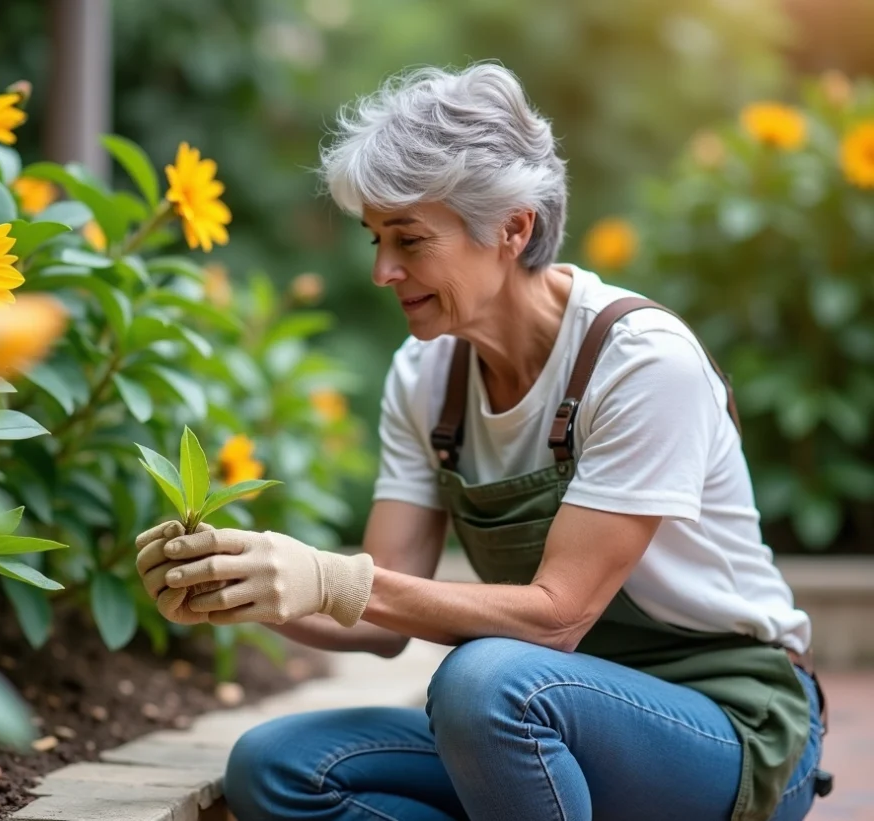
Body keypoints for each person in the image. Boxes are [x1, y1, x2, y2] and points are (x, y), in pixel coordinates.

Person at [133, 62, 827, 821]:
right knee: (276, 768)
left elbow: (558, 616)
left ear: (513, 226)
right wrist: (242, 585)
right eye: (375, 237)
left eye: (409, 239)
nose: (381, 270)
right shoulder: (426, 375)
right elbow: (379, 609)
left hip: (724, 728)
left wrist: (332, 576)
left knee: (482, 682)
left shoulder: (639, 363)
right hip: (539, 724)